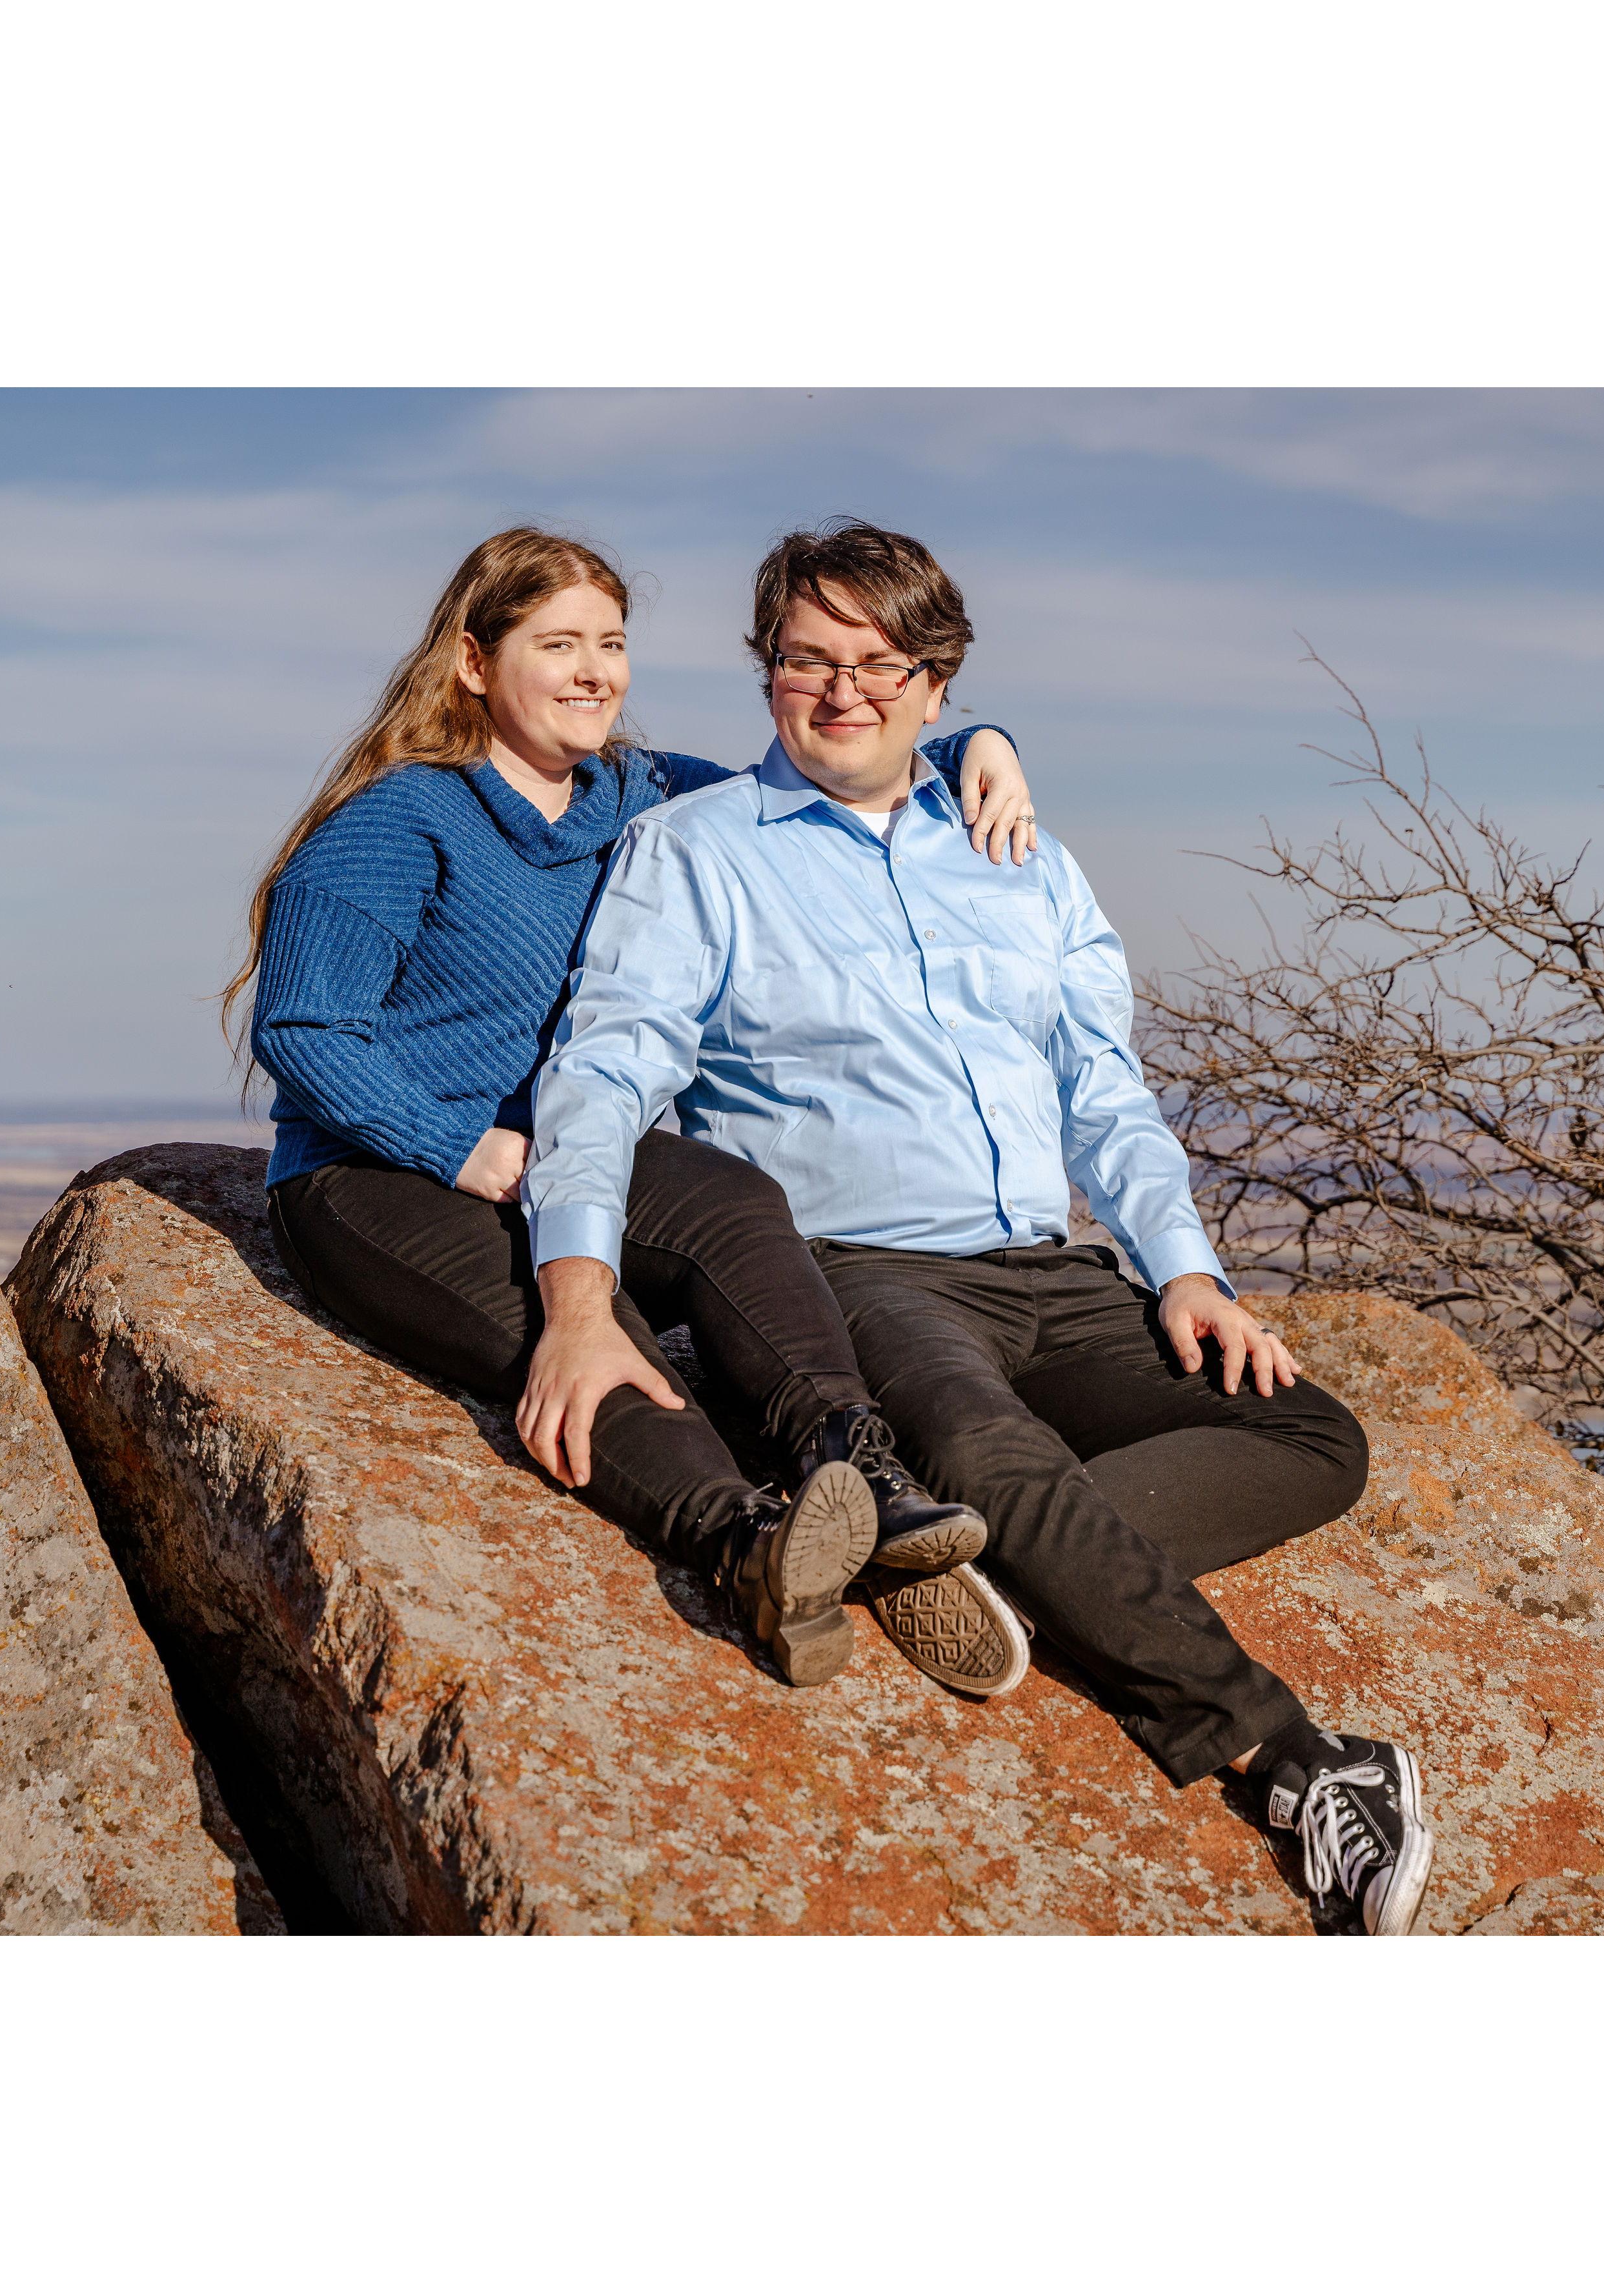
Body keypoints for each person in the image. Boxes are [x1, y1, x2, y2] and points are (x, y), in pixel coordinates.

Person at [524, 521, 1437, 1934]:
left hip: (1053, 1273)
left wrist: (1186, 1271)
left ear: (938, 685)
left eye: (880, 665)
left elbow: (1103, 1090)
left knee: (1310, 1433)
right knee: (982, 1451)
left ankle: (984, 1559)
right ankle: (1300, 1761)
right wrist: (577, 1296)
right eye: (807, 662)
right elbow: (606, 1068)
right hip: (858, 1279)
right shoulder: (695, 852)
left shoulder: (1024, 857)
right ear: (766, 672)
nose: (843, 692)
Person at [227, 526, 1037, 1697]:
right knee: (575, 1332)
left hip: (560, 1155)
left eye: (610, 643)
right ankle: (750, 1545)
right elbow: (303, 1032)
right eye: (558, 644)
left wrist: (977, 744)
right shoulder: (397, 822)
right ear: (473, 661)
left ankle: (858, 1473)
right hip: (374, 1177)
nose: (594, 671)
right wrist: (454, 1147)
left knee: (732, 1200)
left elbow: (828, 757)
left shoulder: (641, 791)